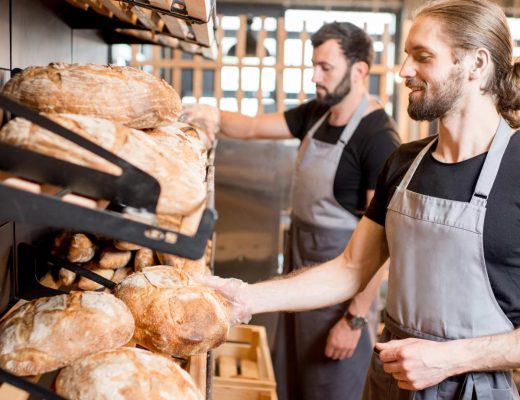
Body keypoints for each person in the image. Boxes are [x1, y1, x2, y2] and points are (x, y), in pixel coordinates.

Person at [191, 0, 520, 398]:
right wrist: (245, 298)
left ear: (476, 64)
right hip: (388, 382)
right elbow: (351, 269)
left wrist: (451, 359)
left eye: (423, 57)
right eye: (406, 57)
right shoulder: (404, 162)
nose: (404, 71)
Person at [182, 22, 400, 400]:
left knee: (328, 391)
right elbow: (251, 128)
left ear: (359, 70)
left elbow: (382, 246)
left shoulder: (377, 137)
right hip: (300, 285)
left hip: (338, 301)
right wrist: (209, 114)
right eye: (314, 65)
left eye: (326, 68)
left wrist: (353, 319)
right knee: (293, 387)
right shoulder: (318, 113)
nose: (316, 76)